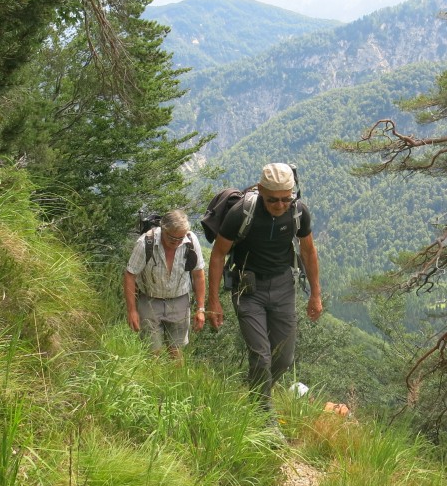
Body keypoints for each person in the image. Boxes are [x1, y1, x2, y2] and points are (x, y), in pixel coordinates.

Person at [207, 163, 322, 413]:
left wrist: (315, 295)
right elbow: (218, 254)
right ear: (260, 190)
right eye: (272, 200)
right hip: (248, 289)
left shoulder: (299, 212)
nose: (280, 205)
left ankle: (256, 395)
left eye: (285, 199)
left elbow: (308, 251)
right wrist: (212, 301)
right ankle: (263, 414)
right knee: (261, 356)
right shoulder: (241, 213)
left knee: (283, 358)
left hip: (283, 286)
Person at [124, 210, 206, 360]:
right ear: (163, 229)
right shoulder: (145, 243)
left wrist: (200, 308)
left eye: (180, 238)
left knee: (176, 352)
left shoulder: (191, 241)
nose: (176, 242)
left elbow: (198, 274)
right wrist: (132, 310)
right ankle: (152, 381)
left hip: (179, 301)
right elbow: (130, 275)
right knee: (152, 352)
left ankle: (175, 380)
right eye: (171, 238)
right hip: (149, 301)